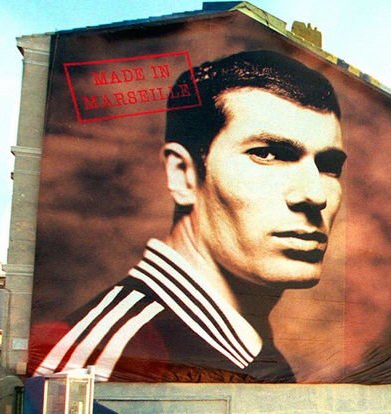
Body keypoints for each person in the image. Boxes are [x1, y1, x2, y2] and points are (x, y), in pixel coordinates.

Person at [30, 50, 346, 382]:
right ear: (182, 174)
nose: (316, 195)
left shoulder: (245, 343)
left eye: (329, 166)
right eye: (267, 154)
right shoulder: (104, 360)